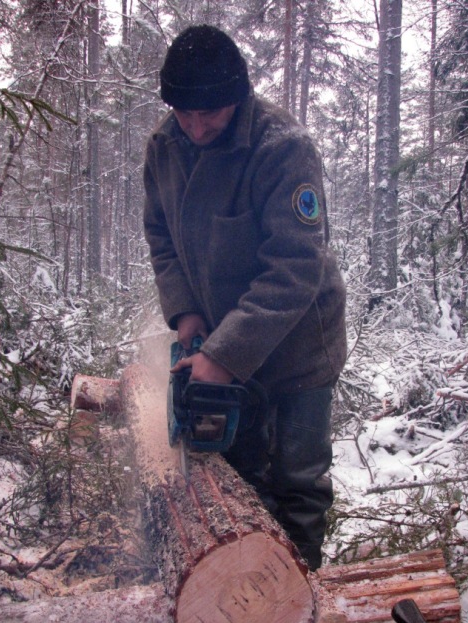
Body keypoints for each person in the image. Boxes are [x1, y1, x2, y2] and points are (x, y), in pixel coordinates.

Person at [144, 25, 346, 570]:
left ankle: (299, 587)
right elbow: (161, 236)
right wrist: (186, 311)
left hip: (298, 347)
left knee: (297, 479)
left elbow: (296, 266)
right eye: (184, 113)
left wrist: (224, 355)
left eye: (208, 113)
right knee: (235, 473)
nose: (196, 125)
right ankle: (240, 591)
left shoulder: (282, 149)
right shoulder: (165, 147)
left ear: (238, 96)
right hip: (219, 334)